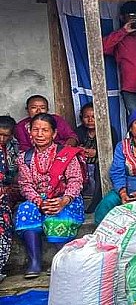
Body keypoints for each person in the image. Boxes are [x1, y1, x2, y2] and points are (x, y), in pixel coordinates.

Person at [15, 113, 85, 279]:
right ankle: (35, 262)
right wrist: (39, 202)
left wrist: (63, 200)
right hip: (38, 199)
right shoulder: (24, 158)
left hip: (66, 199)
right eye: (36, 130)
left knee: (58, 216)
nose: (40, 134)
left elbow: (76, 181)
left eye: (45, 130)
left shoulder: (67, 154)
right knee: (26, 209)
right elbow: (25, 185)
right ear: (29, 132)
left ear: (54, 134)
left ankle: (63, 262)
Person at [0, 116, 20, 283]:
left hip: (7, 191)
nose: (2, 139)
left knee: (5, 226)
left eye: (6, 135)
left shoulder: (14, 146)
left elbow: (14, 172)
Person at [75, 103, 102, 212]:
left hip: (98, 165)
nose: (90, 120)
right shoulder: (79, 131)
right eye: (87, 117)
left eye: (94, 117)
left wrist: (97, 153)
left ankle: (96, 202)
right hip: (84, 164)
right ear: (82, 118)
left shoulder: (108, 130)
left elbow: (113, 149)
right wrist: (81, 151)